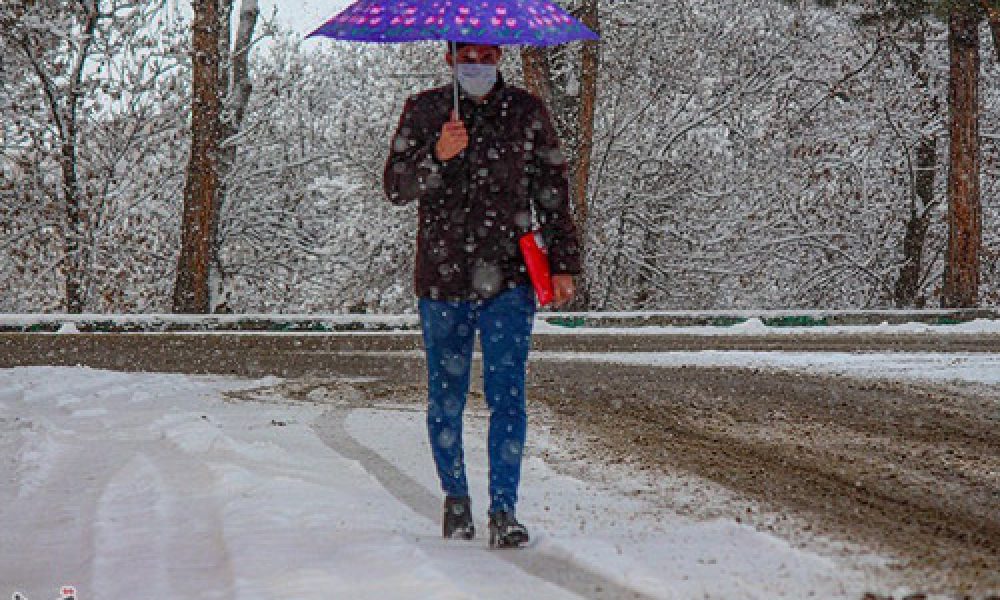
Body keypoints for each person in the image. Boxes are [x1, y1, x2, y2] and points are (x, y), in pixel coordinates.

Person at [383, 42, 581, 548]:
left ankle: (504, 510)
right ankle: (456, 500)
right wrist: (437, 155)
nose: (476, 63)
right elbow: (396, 187)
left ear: (499, 55)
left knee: (508, 397)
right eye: (465, 54)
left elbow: (552, 191)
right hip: (442, 279)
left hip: (510, 279)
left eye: (485, 54)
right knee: (445, 397)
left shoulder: (525, 112)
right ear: (448, 56)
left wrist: (563, 264)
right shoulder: (426, 110)